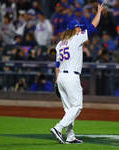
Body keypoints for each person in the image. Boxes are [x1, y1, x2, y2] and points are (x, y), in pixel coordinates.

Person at [50, 3, 104, 144]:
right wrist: (99, 12)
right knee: (77, 106)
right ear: (73, 30)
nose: (80, 28)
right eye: (78, 27)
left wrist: (57, 80)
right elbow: (93, 26)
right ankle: (58, 128)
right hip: (71, 76)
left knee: (69, 109)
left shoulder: (59, 44)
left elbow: (57, 64)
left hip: (61, 76)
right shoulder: (76, 38)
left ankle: (70, 136)